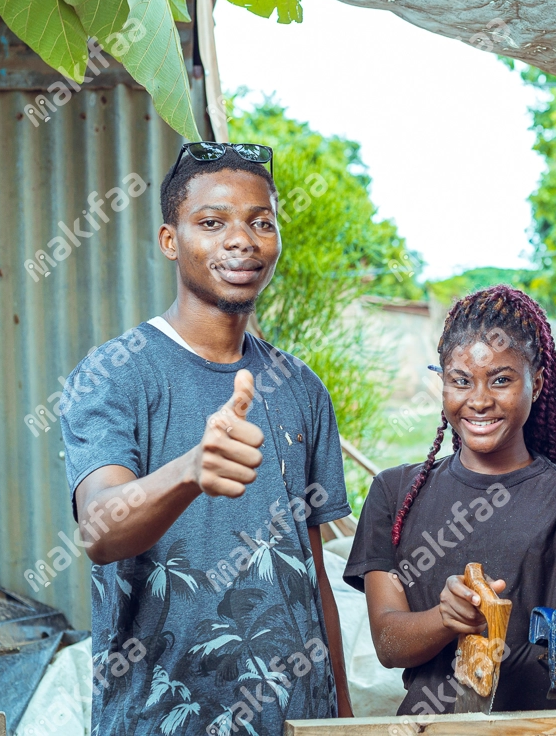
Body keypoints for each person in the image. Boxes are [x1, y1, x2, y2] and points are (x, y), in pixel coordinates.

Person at [60, 142, 353, 736]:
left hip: (297, 723)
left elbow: (313, 573)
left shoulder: (302, 388)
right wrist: (190, 469)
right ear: (171, 241)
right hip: (160, 721)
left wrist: (342, 718)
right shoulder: (115, 373)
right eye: (212, 222)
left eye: (260, 222)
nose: (242, 240)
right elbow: (98, 528)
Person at [343, 285, 556, 716]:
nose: (479, 400)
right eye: (461, 381)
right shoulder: (395, 493)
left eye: (502, 380)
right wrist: (446, 618)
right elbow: (387, 643)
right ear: (443, 383)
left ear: (538, 382)